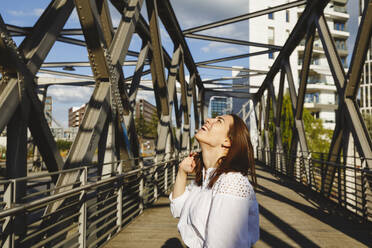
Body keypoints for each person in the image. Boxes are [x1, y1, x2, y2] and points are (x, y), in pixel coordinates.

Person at [169, 114, 259, 248]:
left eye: (219, 121)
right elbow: (178, 209)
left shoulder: (231, 182)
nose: (208, 120)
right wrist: (182, 172)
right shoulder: (206, 177)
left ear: (227, 141)